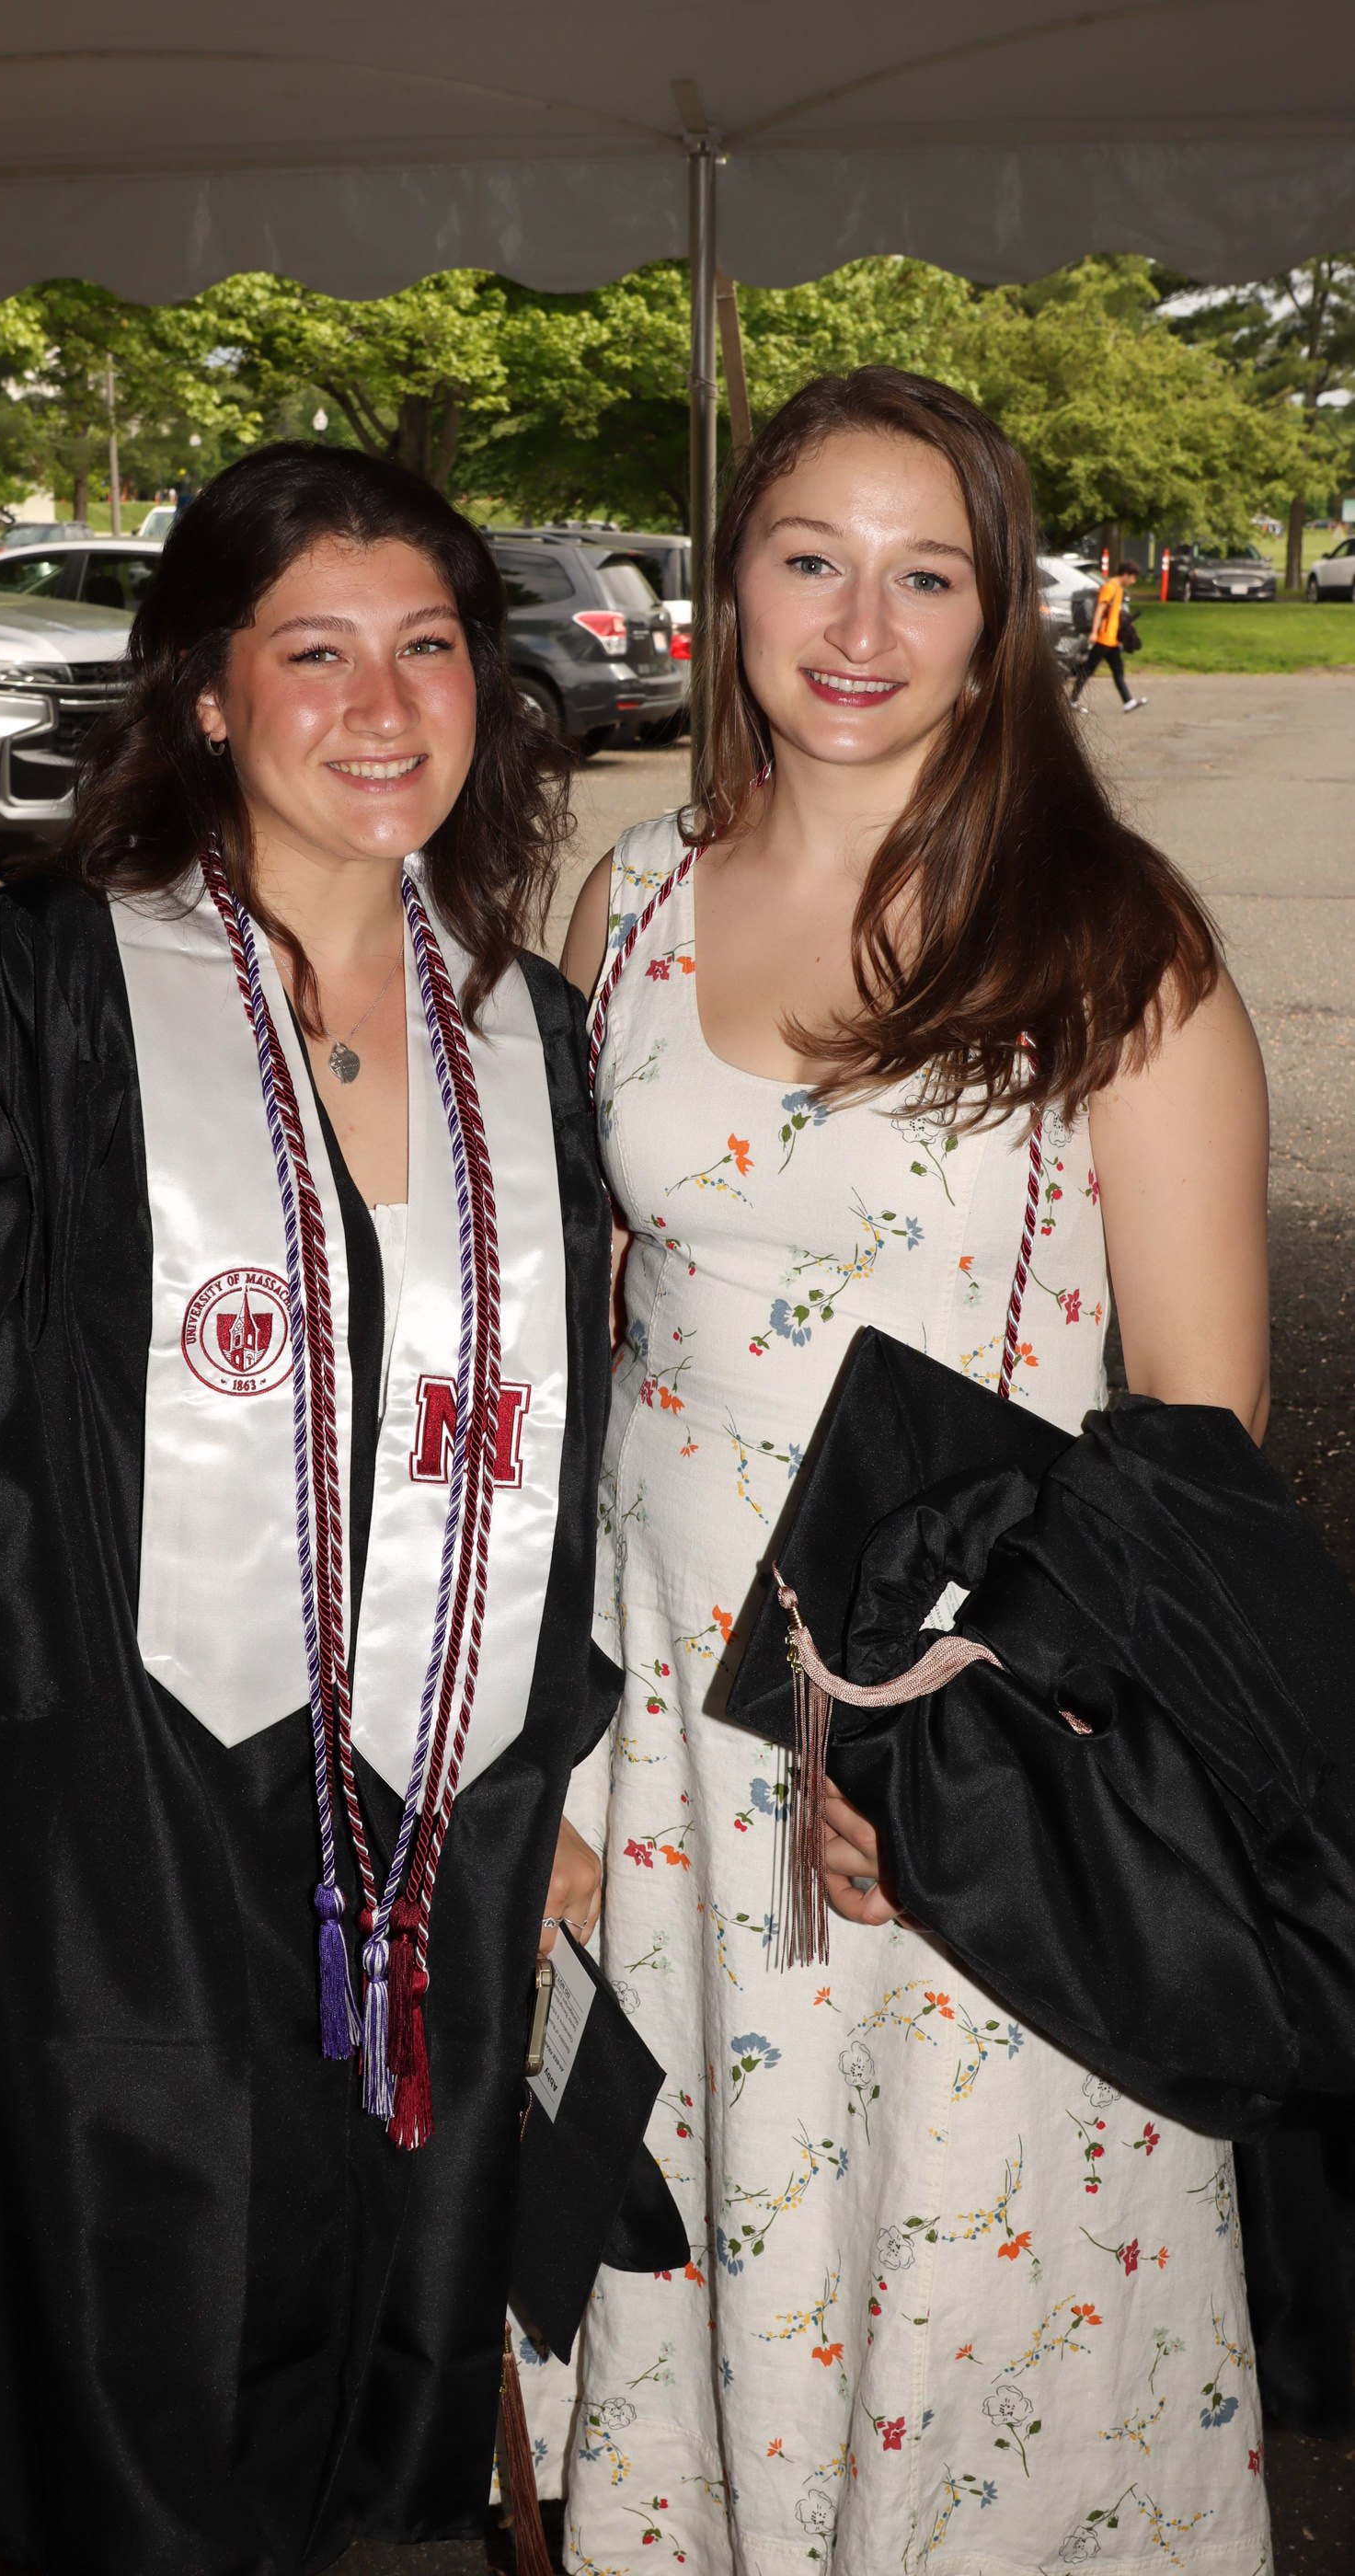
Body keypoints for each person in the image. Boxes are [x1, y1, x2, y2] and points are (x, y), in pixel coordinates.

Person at [0, 443, 621, 2576]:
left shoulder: (531, 1031)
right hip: (112, 1798)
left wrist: (556, 1768)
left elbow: (574, 1436)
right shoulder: (36, 990)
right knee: (135, 2338)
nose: (382, 706)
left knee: (370, 2335)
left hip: (436, 1808)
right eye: (313, 653)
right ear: (207, 695)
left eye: (428, 646)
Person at [534, 370, 1270, 2569]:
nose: (859, 626)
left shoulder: (1108, 946)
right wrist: (531, 1751)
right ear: (733, 583)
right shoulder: (627, 902)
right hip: (662, 1747)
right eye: (809, 559)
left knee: (956, 2296)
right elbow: (586, 1341)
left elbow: (1197, 1438)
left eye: (924, 574)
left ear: (996, 618)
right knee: (686, 2246)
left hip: (959, 1747)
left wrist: (965, 1746)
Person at [1071, 555, 1147, 711]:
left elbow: (1114, 613)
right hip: (1103, 638)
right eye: (1133, 578)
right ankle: (1072, 700)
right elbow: (1100, 610)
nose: (1133, 582)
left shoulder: (1118, 589)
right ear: (1125, 574)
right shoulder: (1110, 587)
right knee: (1088, 670)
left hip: (1112, 640)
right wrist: (1094, 632)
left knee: (1118, 670)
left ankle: (1128, 702)